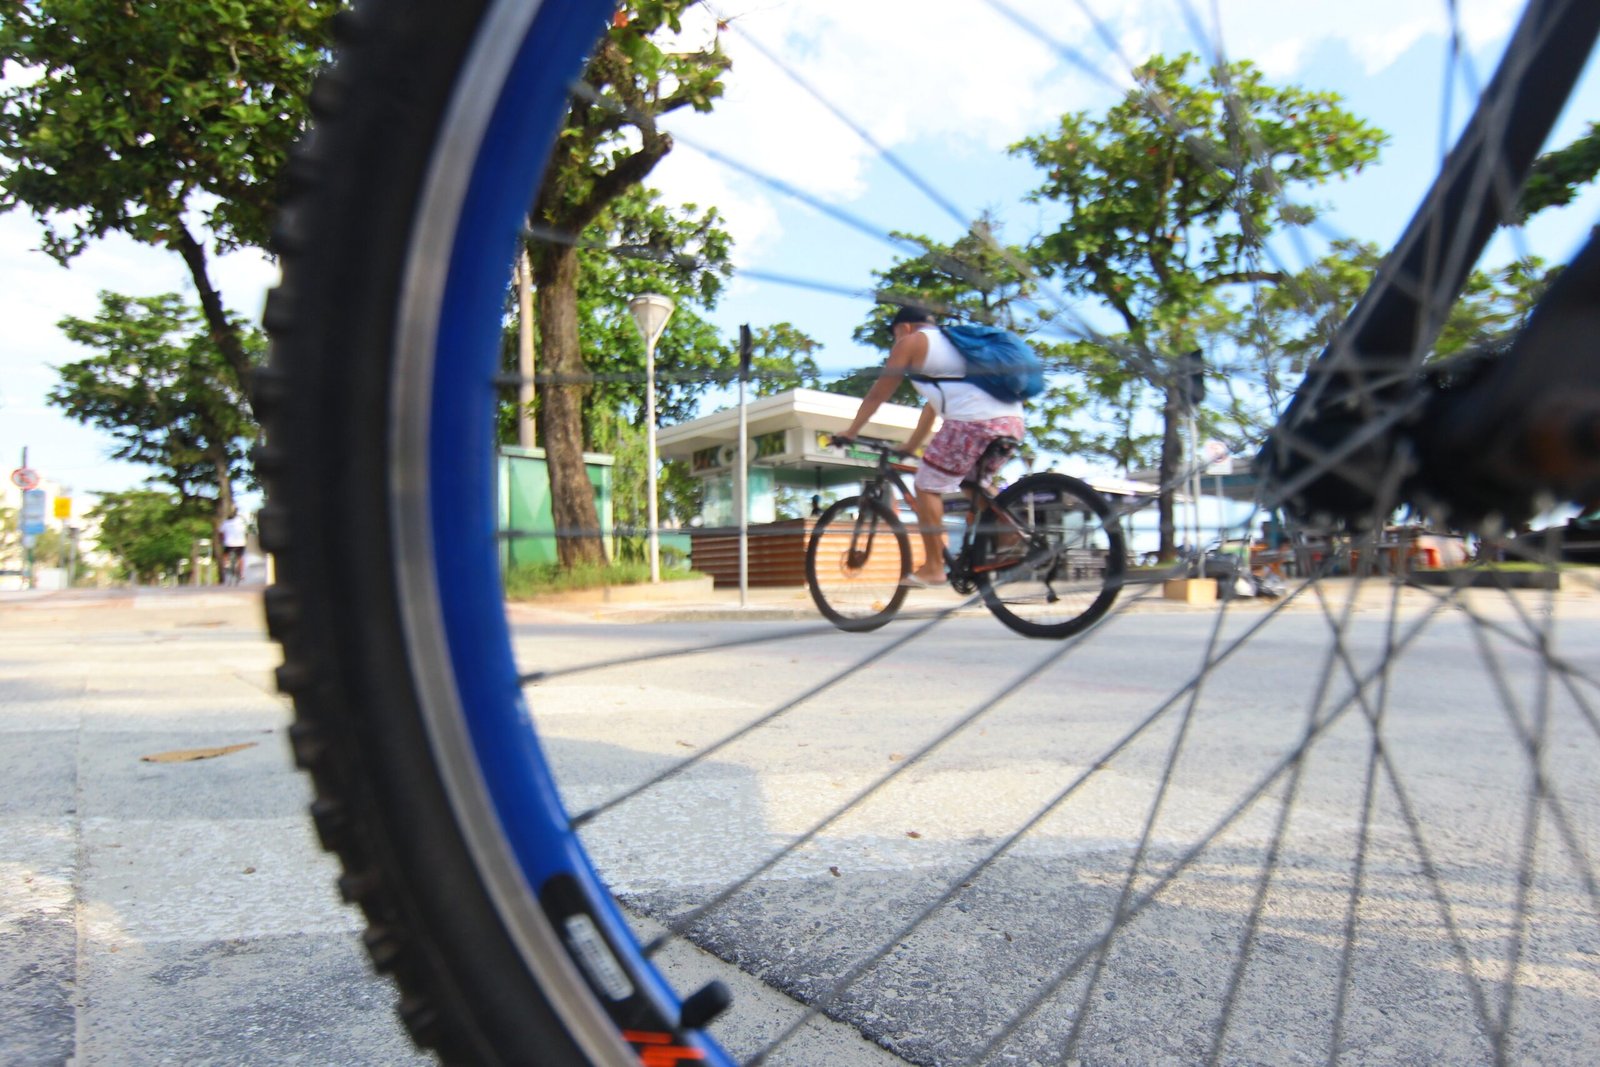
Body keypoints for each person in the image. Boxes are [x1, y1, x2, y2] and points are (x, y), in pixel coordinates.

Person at [835, 305, 1025, 587]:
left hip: (974, 422)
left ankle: (934, 567)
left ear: (906, 327)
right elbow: (932, 408)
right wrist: (912, 445)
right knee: (972, 484)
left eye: (895, 334)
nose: (895, 341)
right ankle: (1013, 535)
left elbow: (879, 392)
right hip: (1011, 421)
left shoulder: (913, 342)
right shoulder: (954, 347)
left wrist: (851, 431)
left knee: (925, 484)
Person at [220, 509, 248, 584]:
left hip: (229, 543)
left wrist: (222, 540)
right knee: (240, 557)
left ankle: (226, 563)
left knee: (225, 555)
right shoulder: (242, 523)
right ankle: (241, 574)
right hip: (241, 543)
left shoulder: (226, 523)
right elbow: (246, 534)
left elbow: (221, 533)